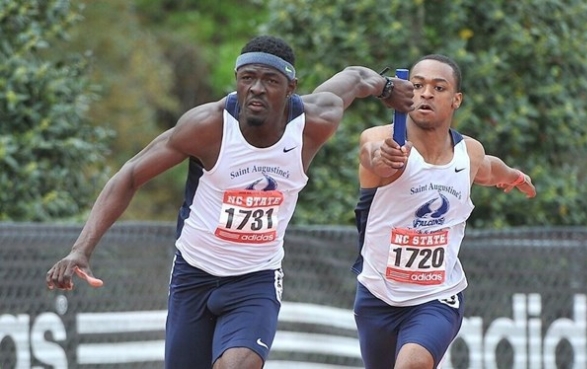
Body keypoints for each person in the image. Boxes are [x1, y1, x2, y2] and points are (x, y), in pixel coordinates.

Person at [45, 35, 414, 369]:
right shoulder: (207, 126)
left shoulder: (315, 120)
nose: (256, 89)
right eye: (247, 78)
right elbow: (130, 174)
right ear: (237, 79)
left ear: (291, 88)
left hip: (256, 280)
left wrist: (385, 88)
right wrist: (81, 249)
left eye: (270, 81)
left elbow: (353, 78)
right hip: (193, 274)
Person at [352, 54, 537, 369]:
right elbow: (370, 154)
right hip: (376, 296)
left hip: (438, 296)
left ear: (456, 99)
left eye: (439, 88)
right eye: (418, 85)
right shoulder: (383, 140)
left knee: (412, 364)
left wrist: (516, 177)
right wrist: (381, 158)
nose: (426, 93)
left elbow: (490, 170)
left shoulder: (469, 153)